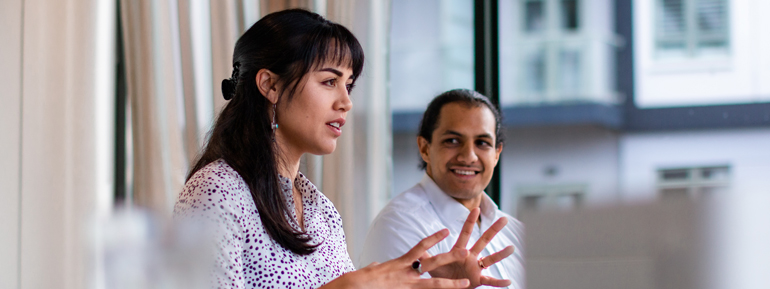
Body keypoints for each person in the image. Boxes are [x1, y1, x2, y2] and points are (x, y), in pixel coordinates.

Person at [173, 9, 513, 289]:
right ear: (270, 85)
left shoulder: (322, 211)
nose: (346, 102)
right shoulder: (217, 190)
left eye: (348, 85)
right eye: (329, 82)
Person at [360, 89, 525, 289]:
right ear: (425, 148)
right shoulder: (398, 225)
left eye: (482, 143)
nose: (468, 156)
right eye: (453, 141)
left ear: (496, 154)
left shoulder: (514, 232)